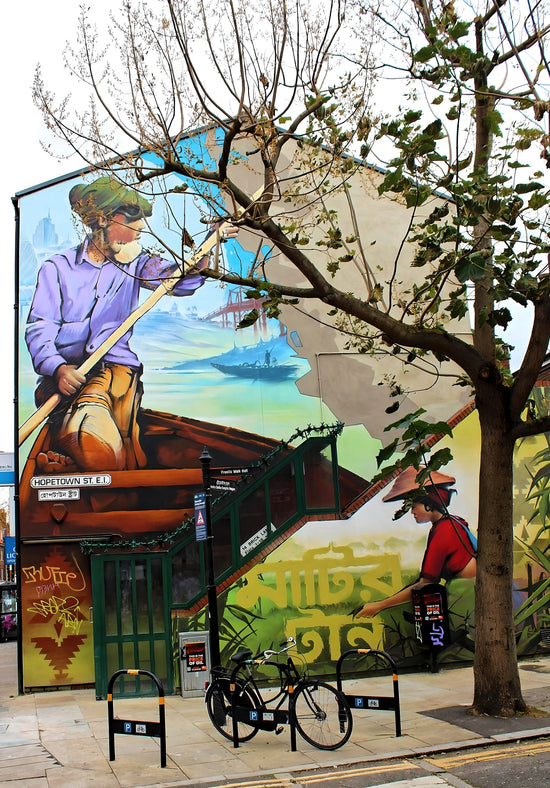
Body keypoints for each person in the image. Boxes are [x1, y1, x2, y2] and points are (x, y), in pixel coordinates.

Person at [25, 176, 206, 473]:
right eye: (131, 219)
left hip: (118, 377)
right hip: (69, 382)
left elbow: (176, 281)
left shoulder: (136, 264)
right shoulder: (56, 269)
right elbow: (39, 328)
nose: (140, 228)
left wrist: (203, 256)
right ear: (102, 220)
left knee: (109, 445)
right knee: (93, 439)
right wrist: (57, 368)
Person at [355, 467, 477, 618]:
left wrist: (380, 605)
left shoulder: (444, 530)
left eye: (413, 506)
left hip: (469, 597)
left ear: (429, 504)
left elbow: (426, 582)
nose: (412, 512)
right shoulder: (453, 521)